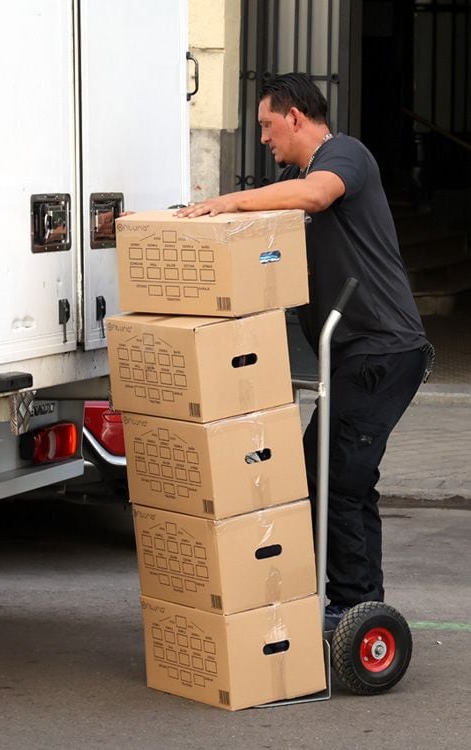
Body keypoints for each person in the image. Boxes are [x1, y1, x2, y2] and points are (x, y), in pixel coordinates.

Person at [175, 72, 432, 630]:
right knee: (334, 475)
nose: (264, 138)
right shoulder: (295, 177)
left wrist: (231, 201)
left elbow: (316, 197)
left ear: (296, 117)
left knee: (336, 475)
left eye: (268, 125)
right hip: (350, 353)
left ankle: (352, 607)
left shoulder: (345, 156)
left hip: (384, 350)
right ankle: (363, 603)